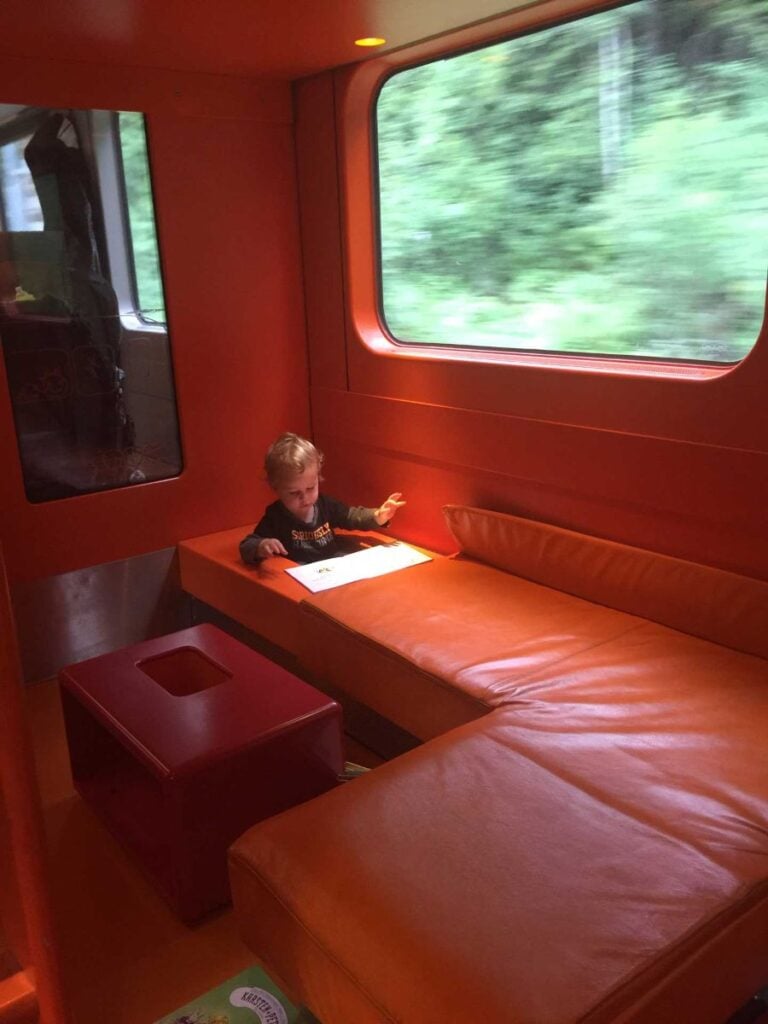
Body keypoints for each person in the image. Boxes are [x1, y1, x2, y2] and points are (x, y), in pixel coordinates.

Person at [240, 432, 405, 564]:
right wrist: (261, 546)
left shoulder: (325, 505)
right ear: (276, 488)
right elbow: (248, 544)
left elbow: (351, 516)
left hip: (333, 563)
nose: (304, 498)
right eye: (294, 493)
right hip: (302, 571)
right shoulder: (276, 516)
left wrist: (378, 515)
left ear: (318, 478)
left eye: (311, 488)